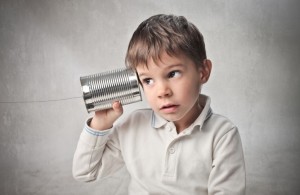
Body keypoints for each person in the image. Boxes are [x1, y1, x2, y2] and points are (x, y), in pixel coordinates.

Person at [73, 14, 246, 195]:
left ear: (203, 72)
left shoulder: (223, 134)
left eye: (173, 74)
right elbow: (85, 172)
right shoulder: (133, 125)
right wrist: (99, 125)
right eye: (148, 80)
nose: (162, 91)